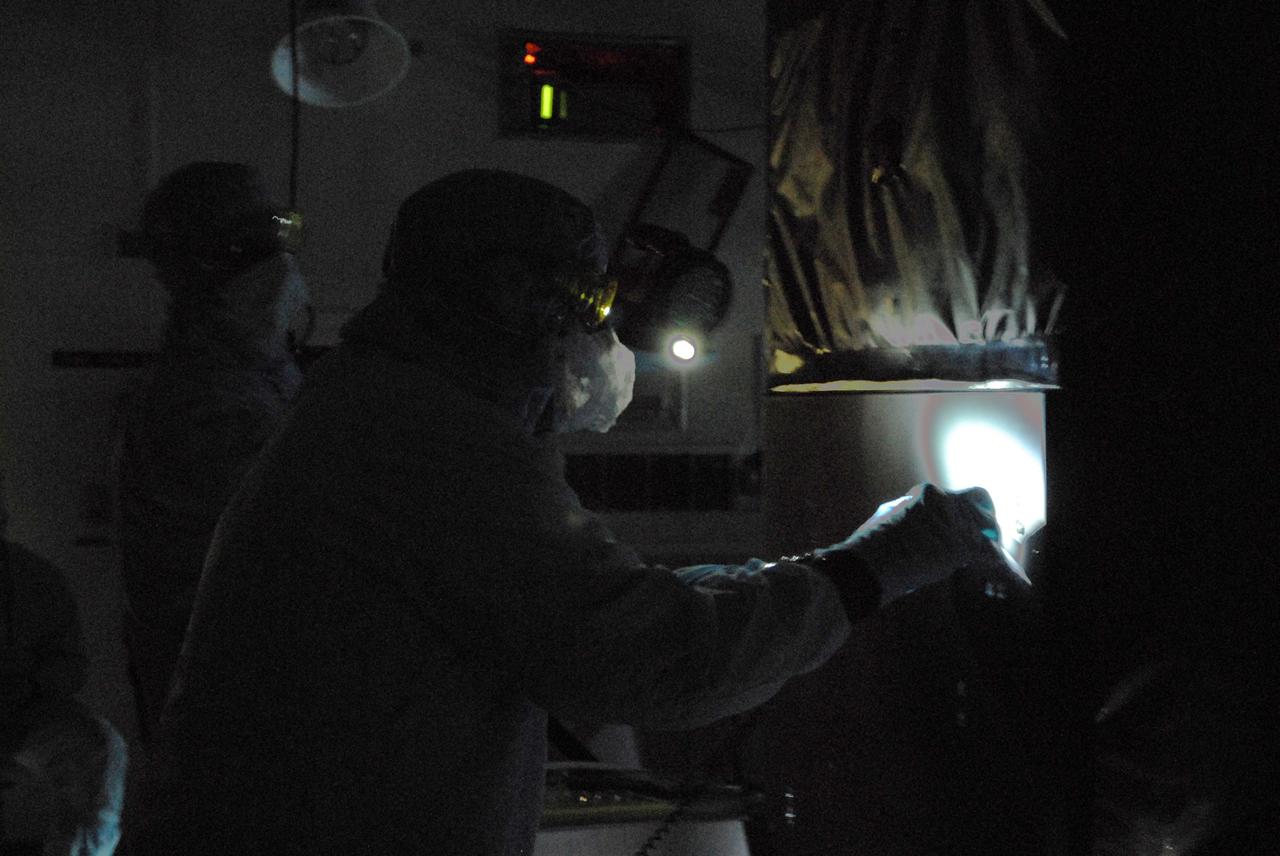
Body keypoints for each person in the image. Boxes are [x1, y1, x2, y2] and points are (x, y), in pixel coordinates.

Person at [123, 169, 1007, 856]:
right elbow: (651, 654)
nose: (598, 337)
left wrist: (809, 575)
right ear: (513, 298)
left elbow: (604, 606)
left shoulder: (383, 403)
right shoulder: (426, 441)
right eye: (587, 305)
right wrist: (872, 566)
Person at [115, 161, 309, 742]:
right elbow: (285, 554)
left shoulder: (256, 373)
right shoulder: (204, 402)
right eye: (257, 244)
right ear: (204, 264)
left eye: (285, 232)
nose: (281, 260)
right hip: (233, 707)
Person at [1, 475, 128, 856]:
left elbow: (70, 662)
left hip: (29, 711)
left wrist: (30, 687)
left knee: (100, 750)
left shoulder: (36, 579)